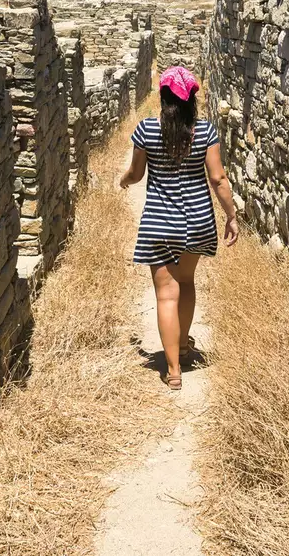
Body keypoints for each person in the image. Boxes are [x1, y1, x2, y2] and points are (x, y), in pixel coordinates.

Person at [118, 65, 239, 390]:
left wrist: (124, 180)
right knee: (186, 282)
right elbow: (218, 178)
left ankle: (173, 371)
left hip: (160, 221)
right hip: (198, 219)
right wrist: (231, 215)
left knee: (166, 294)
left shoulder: (146, 130)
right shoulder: (206, 132)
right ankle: (184, 348)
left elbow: (136, 173)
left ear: (164, 96)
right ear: (192, 100)